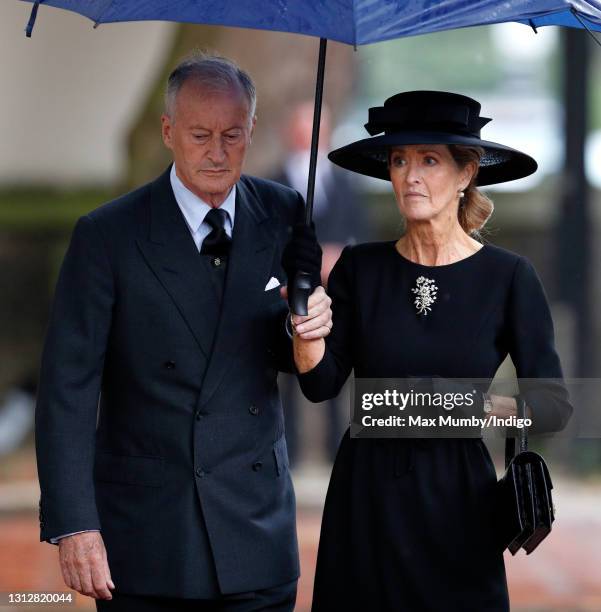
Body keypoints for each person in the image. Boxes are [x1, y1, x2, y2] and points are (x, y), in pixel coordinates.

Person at [35, 52, 330, 612]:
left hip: (255, 531)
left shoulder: (288, 212)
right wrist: (75, 525)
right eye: (199, 135)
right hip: (148, 538)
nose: (217, 153)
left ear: (251, 132)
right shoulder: (107, 236)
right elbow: (67, 391)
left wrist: (310, 328)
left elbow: (297, 366)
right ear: (168, 131)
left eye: (232, 135)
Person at [284, 91, 573, 611]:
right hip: (364, 500)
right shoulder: (360, 267)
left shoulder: (507, 278)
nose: (409, 176)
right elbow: (320, 384)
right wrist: (303, 327)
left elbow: (553, 405)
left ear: (466, 174)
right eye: (399, 160)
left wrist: (463, 407)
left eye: (429, 160)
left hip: (459, 503)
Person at [272, 101, 371, 465]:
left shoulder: (345, 183)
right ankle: (290, 450)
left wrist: (338, 257)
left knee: (336, 365)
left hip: (336, 292)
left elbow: (361, 234)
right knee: (287, 367)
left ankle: (334, 449)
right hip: (289, 293)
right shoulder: (272, 182)